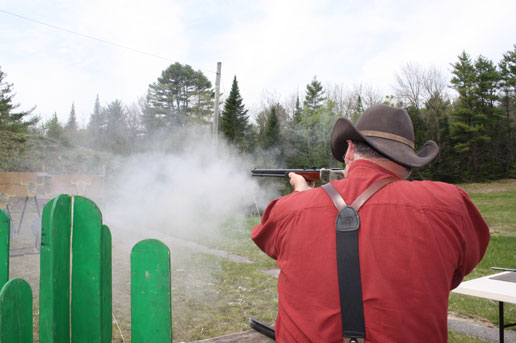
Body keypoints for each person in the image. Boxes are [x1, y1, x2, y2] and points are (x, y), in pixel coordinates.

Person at [252, 104, 490, 343]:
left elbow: (266, 236)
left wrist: (301, 196)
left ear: (350, 151)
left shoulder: (289, 209)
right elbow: (453, 272)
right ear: (410, 164)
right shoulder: (452, 204)